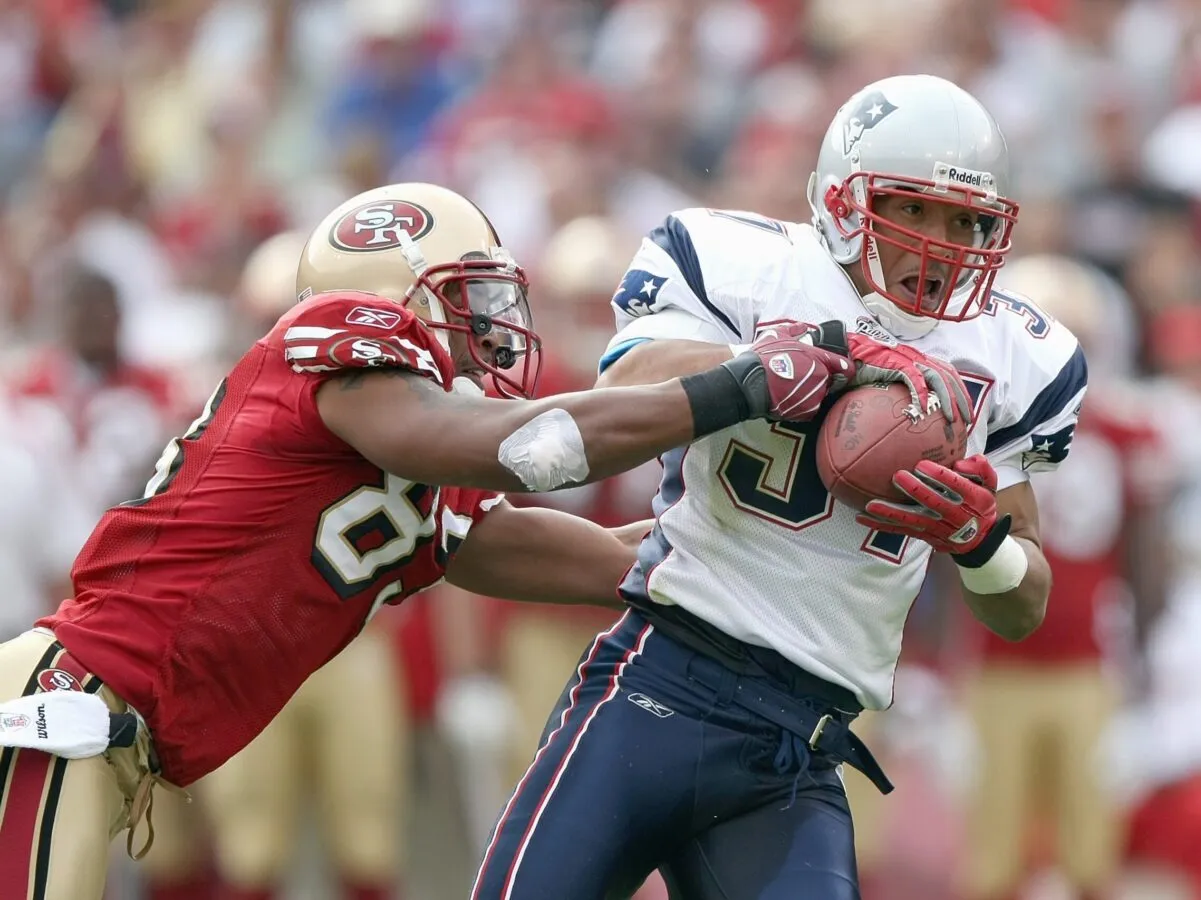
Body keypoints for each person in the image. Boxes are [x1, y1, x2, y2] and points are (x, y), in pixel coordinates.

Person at [0, 181, 928, 900]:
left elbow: (640, 566)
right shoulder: (336, 342)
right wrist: (742, 384)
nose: (491, 326)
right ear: (391, 291)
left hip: (108, 733)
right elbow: (525, 451)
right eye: (468, 298)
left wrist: (814, 545)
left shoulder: (405, 468)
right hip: (65, 703)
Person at [471, 74, 1088, 900]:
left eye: (966, 219)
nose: (941, 241)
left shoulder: (1016, 355)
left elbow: (1022, 602)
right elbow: (629, 389)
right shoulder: (747, 265)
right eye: (912, 209)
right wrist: (787, 364)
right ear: (841, 200)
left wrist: (981, 546)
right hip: (661, 678)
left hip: (800, 747)